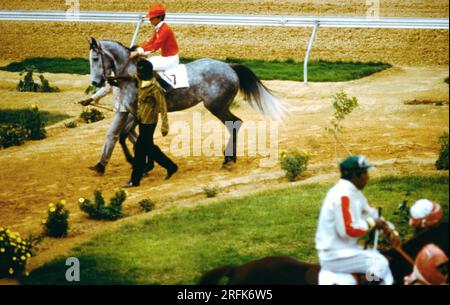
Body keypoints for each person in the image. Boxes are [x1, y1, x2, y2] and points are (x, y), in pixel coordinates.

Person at [315, 155, 396, 285]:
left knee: (383, 269)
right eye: (365, 173)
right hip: (335, 255)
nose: (368, 177)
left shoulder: (354, 193)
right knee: (380, 263)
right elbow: (348, 230)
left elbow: (373, 214)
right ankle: (368, 282)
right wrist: (373, 223)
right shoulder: (342, 195)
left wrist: (391, 232)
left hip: (346, 251)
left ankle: (369, 280)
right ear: (355, 175)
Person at [122, 59, 178, 187]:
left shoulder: (155, 87)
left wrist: (165, 125)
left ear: (148, 73)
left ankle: (135, 180)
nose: (139, 74)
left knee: (140, 149)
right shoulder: (141, 80)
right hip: (142, 120)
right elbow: (131, 76)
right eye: (138, 72)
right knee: (149, 148)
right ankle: (171, 166)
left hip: (149, 123)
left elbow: (163, 106)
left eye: (141, 72)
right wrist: (115, 78)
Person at [79, 78, 139, 175]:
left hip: (127, 109)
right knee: (131, 135)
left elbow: (132, 87)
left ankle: (102, 165)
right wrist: (91, 99)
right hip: (123, 108)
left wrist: (115, 82)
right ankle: (145, 160)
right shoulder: (116, 70)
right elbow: (107, 88)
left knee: (111, 135)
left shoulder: (127, 70)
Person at [129, 3, 180, 72]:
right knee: (145, 61)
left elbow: (155, 47)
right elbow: (151, 42)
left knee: (144, 65)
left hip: (170, 60)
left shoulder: (165, 30)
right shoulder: (159, 28)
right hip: (166, 58)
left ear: (160, 17)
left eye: (152, 18)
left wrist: (138, 52)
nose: (150, 19)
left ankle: (150, 82)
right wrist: (139, 49)